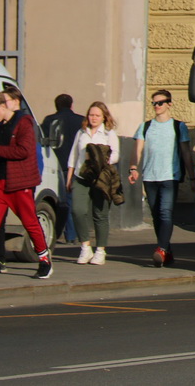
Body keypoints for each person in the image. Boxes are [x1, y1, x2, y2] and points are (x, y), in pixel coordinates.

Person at [0, 90, 52, 279]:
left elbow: (23, 151)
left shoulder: (24, 122)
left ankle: (44, 260)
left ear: (3, 106)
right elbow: (1, 150)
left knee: (29, 221)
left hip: (20, 183)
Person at [128, 89, 192, 268]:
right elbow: (137, 150)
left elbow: (186, 152)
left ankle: (162, 249)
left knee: (165, 213)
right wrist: (133, 167)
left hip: (170, 176)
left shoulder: (178, 126)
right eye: (154, 103)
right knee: (156, 216)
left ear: (169, 104)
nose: (157, 106)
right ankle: (167, 252)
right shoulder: (145, 127)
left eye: (160, 103)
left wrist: (192, 177)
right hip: (150, 177)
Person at [65, 101, 120, 265]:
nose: (93, 118)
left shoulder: (109, 133)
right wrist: (69, 178)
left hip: (101, 178)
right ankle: (85, 247)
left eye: (97, 115)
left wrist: (103, 157)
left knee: (100, 214)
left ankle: (100, 250)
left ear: (104, 117)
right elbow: (73, 155)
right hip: (81, 177)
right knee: (77, 210)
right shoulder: (82, 132)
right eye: (91, 115)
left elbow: (116, 154)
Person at [41, 93, 84, 243]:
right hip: (75, 166)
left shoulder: (49, 121)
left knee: (58, 201)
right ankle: (71, 235)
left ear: (56, 105)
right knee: (72, 201)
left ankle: (58, 231)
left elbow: (42, 141)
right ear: (71, 105)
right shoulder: (81, 121)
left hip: (54, 165)